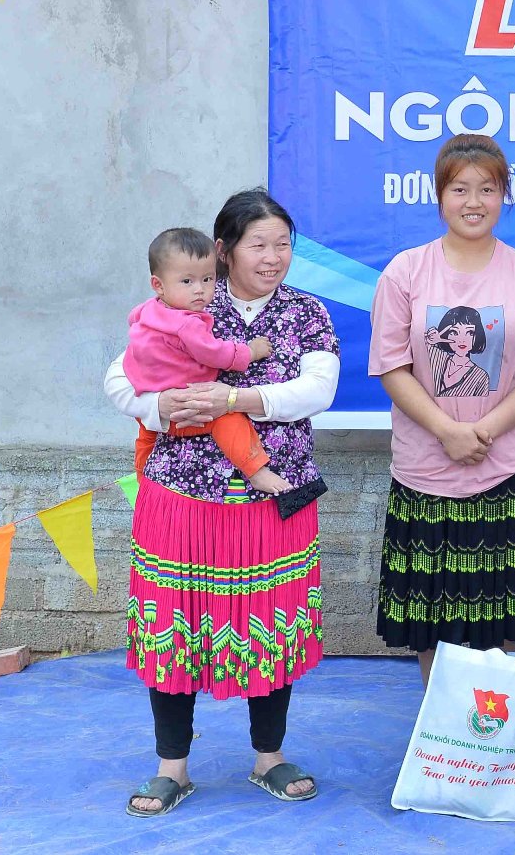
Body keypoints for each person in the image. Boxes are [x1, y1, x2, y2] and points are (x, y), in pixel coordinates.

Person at [105, 189, 340, 817]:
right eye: (258, 244)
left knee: (272, 621)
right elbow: (119, 378)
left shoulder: (305, 312)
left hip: (276, 496)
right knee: (173, 621)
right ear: (224, 249)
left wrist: (233, 400)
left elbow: (318, 390)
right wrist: (159, 406)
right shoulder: (187, 300)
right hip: (183, 496)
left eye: (283, 244)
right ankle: (172, 768)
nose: (273, 257)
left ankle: (269, 757)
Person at [369, 133, 515, 684]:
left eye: (487, 189)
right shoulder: (406, 271)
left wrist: (481, 432)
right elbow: (391, 365)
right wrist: (446, 430)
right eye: (459, 189)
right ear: (439, 197)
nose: (473, 202)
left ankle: (489, 729)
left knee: (499, 617)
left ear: (504, 196)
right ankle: (441, 726)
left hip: (505, 472)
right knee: (429, 620)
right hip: (424, 475)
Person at [124, 227, 274, 480]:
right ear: (158, 285)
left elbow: (132, 321)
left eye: (207, 279)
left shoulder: (147, 310)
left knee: (146, 438)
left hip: (150, 403)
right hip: (187, 408)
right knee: (228, 419)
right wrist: (250, 351)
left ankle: (141, 476)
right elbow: (214, 353)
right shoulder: (188, 324)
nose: (200, 289)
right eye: (187, 281)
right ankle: (256, 470)